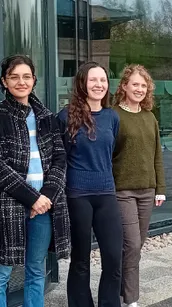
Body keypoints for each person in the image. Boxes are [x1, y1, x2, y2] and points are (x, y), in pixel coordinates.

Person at [0, 55, 70, 307]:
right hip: (8, 206)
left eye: (26, 76)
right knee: (0, 274)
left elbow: (60, 161)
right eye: (14, 77)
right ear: (4, 81)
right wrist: (33, 198)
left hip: (44, 207)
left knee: (36, 271)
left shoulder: (47, 118)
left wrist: (46, 197)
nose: (21, 82)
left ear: (34, 80)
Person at [59, 62, 123, 307]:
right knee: (80, 259)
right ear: (82, 84)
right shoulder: (65, 117)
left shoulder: (111, 117)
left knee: (113, 257)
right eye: (93, 80)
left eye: (103, 80)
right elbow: (60, 157)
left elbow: (110, 152)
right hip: (78, 195)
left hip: (106, 193)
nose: (99, 85)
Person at [112, 64, 166, 307]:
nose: (140, 89)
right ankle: (130, 298)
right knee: (131, 244)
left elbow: (157, 156)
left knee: (136, 245)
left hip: (147, 191)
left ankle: (120, 289)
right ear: (124, 86)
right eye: (135, 84)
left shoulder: (150, 117)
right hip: (122, 191)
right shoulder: (113, 116)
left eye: (144, 85)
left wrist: (160, 188)